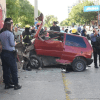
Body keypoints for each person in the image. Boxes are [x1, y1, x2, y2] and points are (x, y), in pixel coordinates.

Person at [0, 18, 22, 90]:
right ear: (9, 26)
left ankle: (7, 84)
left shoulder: (1, 33)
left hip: (3, 53)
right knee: (13, 69)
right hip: (10, 53)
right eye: (11, 25)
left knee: (5, 69)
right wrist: (15, 43)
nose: (12, 26)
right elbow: (12, 44)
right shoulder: (10, 34)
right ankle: (16, 84)